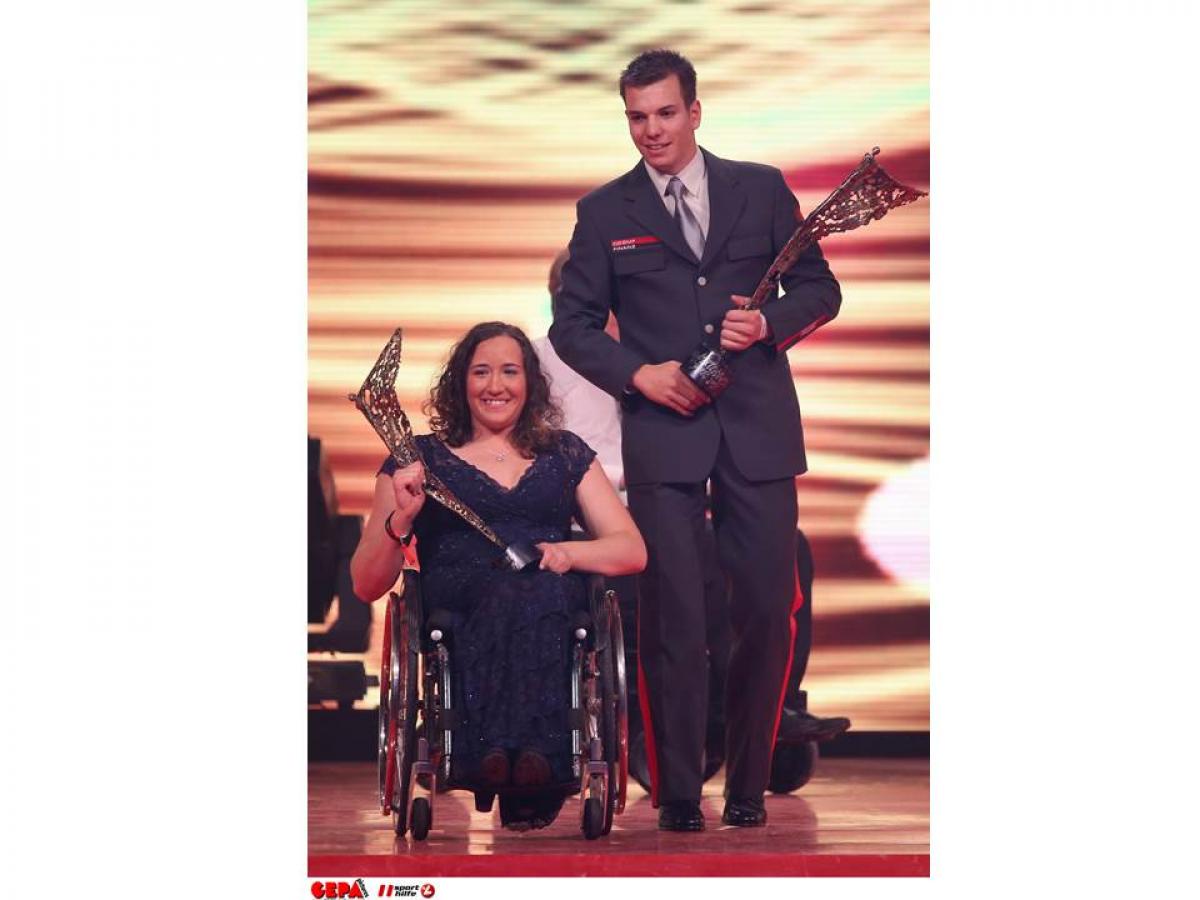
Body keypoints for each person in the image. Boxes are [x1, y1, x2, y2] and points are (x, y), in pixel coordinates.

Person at [549, 49, 842, 830]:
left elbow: (820, 289)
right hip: (663, 436)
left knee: (765, 610)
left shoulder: (762, 188)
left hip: (758, 434)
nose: (652, 130)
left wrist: (770, 323)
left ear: (695, 111)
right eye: (637, 117)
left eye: (665, 113)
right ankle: (678, 792)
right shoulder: (604, 211)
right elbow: (570, 326)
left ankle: (747, 785)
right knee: (670, 617)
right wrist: (637, 374)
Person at [351, 321, 646, 831]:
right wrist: (401, 517)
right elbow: (366, 583)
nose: (495, 385)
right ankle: (522, 758)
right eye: (481, 372)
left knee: (533, 588)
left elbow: (631, 550)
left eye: (509, 371)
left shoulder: (566, 453)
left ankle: (507, 757)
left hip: (548, 590)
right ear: (459, 383)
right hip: (458, 600)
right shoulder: (417, 459)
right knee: (513, 589)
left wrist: (568, 555)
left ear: (529, 382)